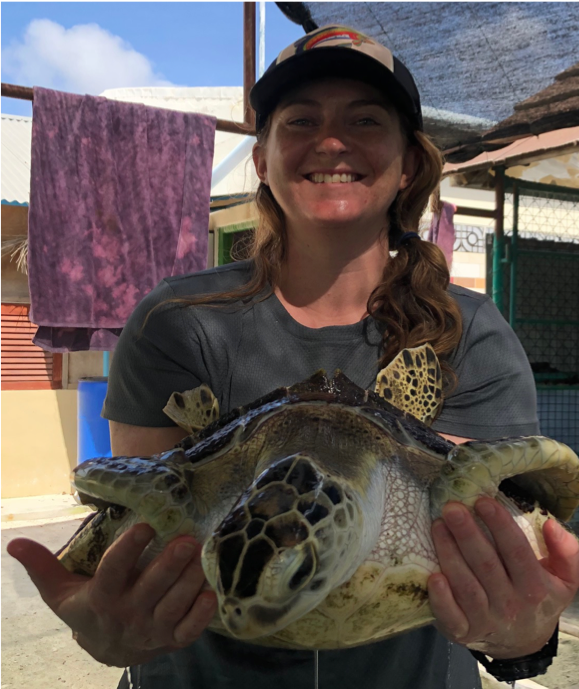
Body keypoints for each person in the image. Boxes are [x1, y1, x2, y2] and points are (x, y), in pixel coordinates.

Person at [8, 24, 579, 689]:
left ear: (406, 165)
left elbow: (504, 573)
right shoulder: (178, 321)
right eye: (300, 120)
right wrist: (110, 631)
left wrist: (523, 641)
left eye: (364, 120)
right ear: (262, 160)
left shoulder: (464, 328)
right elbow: (138, 521)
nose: (330, 141)